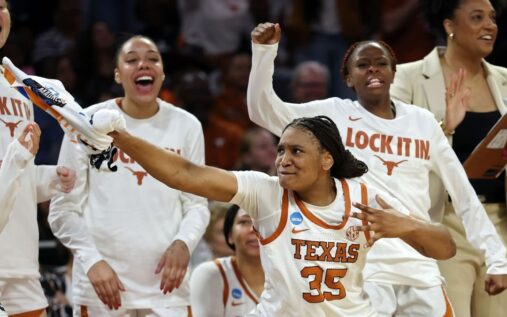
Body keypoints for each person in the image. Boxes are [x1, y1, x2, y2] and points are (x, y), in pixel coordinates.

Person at [246, 22, 507, 316]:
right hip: (364, 267)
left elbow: (462, 193)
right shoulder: (334, 114)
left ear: (393, 73)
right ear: (347, 77)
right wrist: (264, 52)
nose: (373, 70)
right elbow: (262, 110)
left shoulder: (422, 122)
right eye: (363, 65)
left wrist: (497, 258)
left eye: (381, 63)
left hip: (418, 262)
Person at [101, 113, 455, 316]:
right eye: (281, 150)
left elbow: (445, 248)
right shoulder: (266, 192)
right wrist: (122, 137)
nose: (283, 159)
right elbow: (187, 174)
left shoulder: (365, 197)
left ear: (326, 160)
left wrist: (406, 225)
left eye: (296, 151)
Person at [49, 35, 209, 316]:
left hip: (167, 289)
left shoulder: (188, 125)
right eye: (132, 60)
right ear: (117, 74)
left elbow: (196, 204)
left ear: (162, 72)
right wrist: (91, 261)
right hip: (102, 286)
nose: (143, 65)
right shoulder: (86, 121)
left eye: (152, 59)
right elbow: (62, 209)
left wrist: (185, 242)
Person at [390, 1, 507, 316]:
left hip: (500, 225)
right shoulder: (406, 78)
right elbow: (390, 149)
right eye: (477, 17)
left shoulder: (506, 80)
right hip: (444, 223)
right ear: (449, 25)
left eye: (493, 18)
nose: (490, 26)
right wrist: (446, 128)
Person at [0, 1, 76, 316]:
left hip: (19, 257)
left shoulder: (20, 91)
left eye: (3, 6)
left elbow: (17, 174)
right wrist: (19, 159)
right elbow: (13, 162)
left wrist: (48, 179)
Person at [190, 204, 264, 317]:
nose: (253, 229)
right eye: (244, 222)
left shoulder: (290, 274)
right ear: (229, 235)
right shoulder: (209, 273)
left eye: (262, 222)